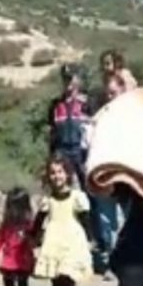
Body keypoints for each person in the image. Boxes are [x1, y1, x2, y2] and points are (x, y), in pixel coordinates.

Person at [46, 64, 111, 273]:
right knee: (62, 198)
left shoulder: (87, 103)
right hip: (62, 154)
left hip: (83, 155)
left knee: (93, 198)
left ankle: (101, 247)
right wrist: (52, 159)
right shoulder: (55, 105)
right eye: (65, 78)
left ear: (78, 80)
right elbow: (51, 133)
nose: (68, 82)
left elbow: (97, 127)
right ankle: (62, 247)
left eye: (71, 78)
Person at [30, 155, 94, 286]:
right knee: (56, 276)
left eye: (60, 172)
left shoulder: (77, 197)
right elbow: (38, 221)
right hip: (53, 239)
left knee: (67, 274)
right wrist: (33, 238)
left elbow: (86, 219)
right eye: (53, 172)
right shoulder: (48, 200)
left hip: (72, 238)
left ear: (67, 174)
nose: (56, 176)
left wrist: (90, 239)